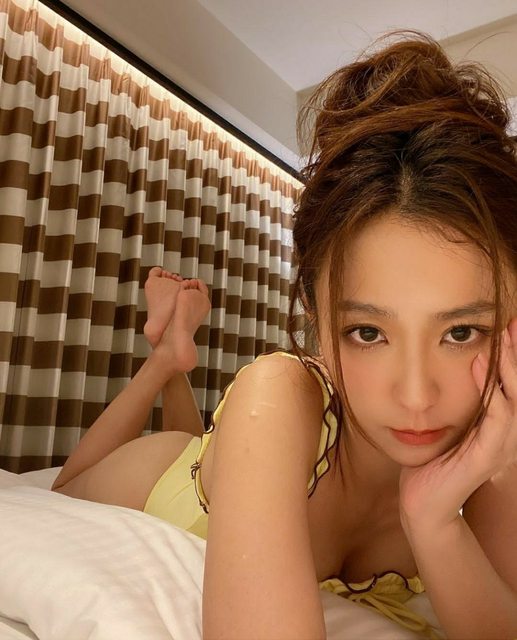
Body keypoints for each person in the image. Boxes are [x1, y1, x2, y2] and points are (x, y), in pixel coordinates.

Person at [51, 32, 517, 640]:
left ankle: (174, 357)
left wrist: (433, 522)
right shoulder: (278, 392)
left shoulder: (496, 451)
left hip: (239, 455)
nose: (416, 397)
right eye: (368, 331)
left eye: (460, 332)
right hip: (166, 474)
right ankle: (165, 361)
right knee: (64, 486)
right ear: (315, 319)